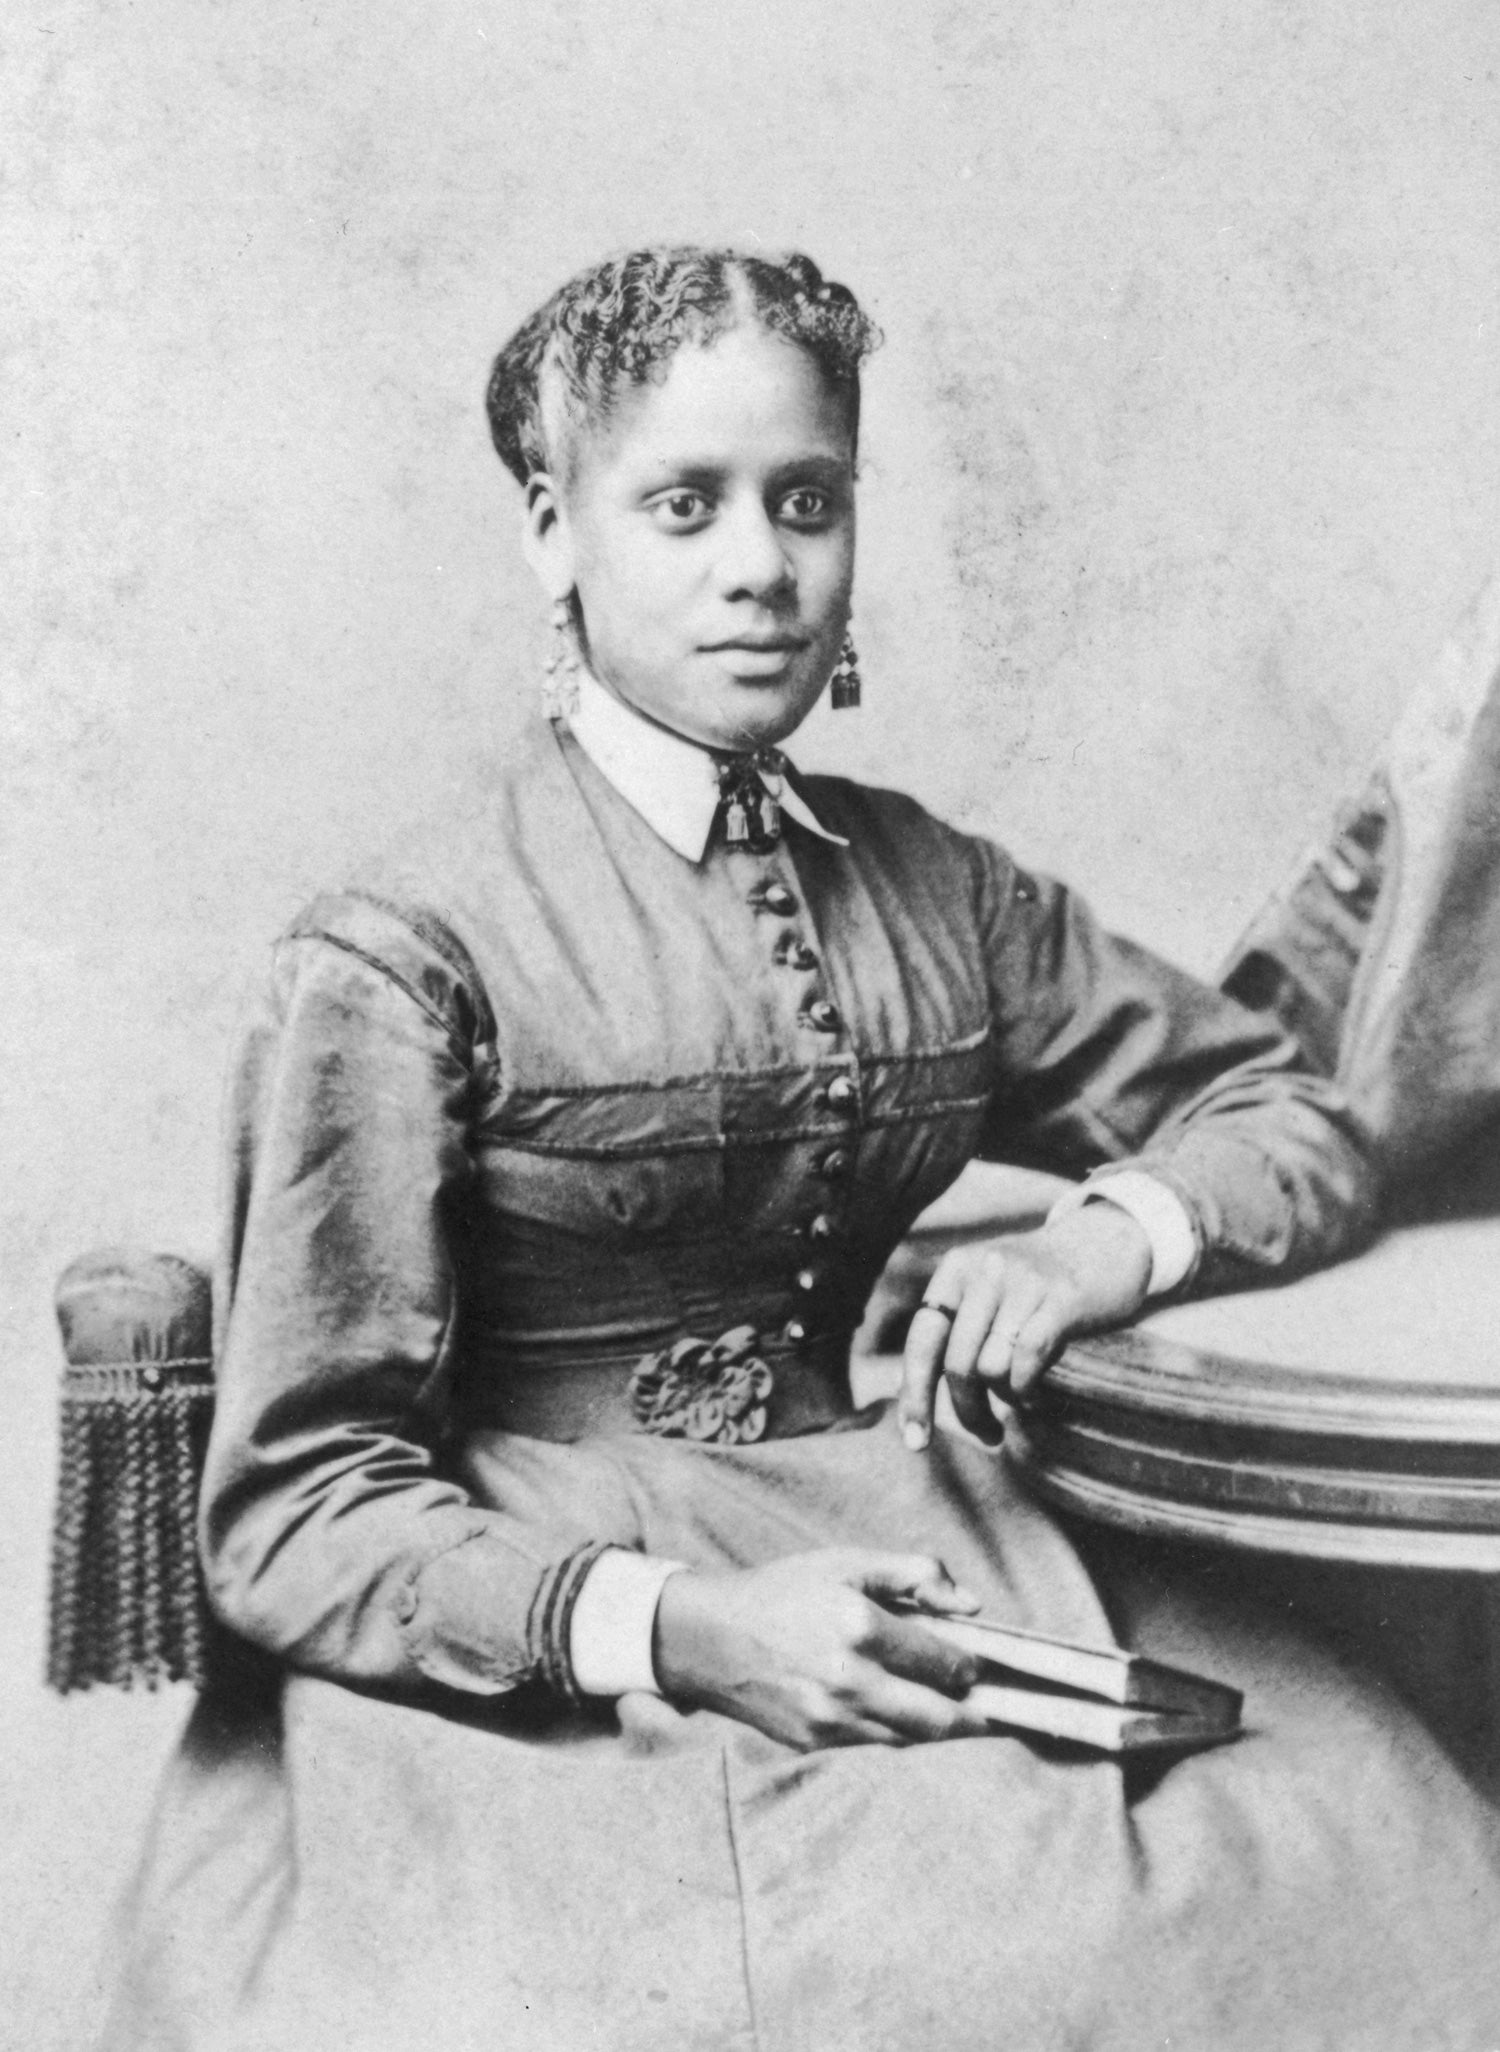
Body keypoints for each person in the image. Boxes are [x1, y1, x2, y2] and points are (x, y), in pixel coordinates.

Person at [104, 247, 1500, 2052]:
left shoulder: (938, 889)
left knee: (1371, 1846)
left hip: (920, 1537)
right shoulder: (400, 950)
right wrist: (683, 1627)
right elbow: (294, 1509)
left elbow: (1287, 1113)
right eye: (682, 505)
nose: (762, 565)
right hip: (531, 1633)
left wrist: (1106, 1240)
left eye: (808, 501)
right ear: (555, 532)